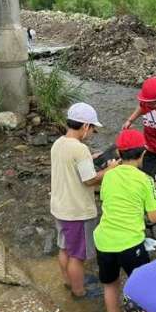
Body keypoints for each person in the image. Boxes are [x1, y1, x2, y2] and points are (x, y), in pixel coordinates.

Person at [93, 129, 156, 312]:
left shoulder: (108, 176)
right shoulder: (146, 180)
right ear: (143, 153)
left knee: (110, 284)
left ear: (119, 153)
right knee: (142, 285)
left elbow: (106, 201)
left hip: (104, 241)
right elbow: (154, 217)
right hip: (131, 243)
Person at [50, 103, 117, 300]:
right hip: (76, 211)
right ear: (86, 126)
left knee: (64, 248)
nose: (92, 134)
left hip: (59, 207)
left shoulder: (59, 143)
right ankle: (79, 291)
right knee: (77, 256)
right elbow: (90, 180)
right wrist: (110, 170)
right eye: (93, 129)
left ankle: (68, 281)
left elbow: (70, 165)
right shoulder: (80, 149)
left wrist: (92, 158)